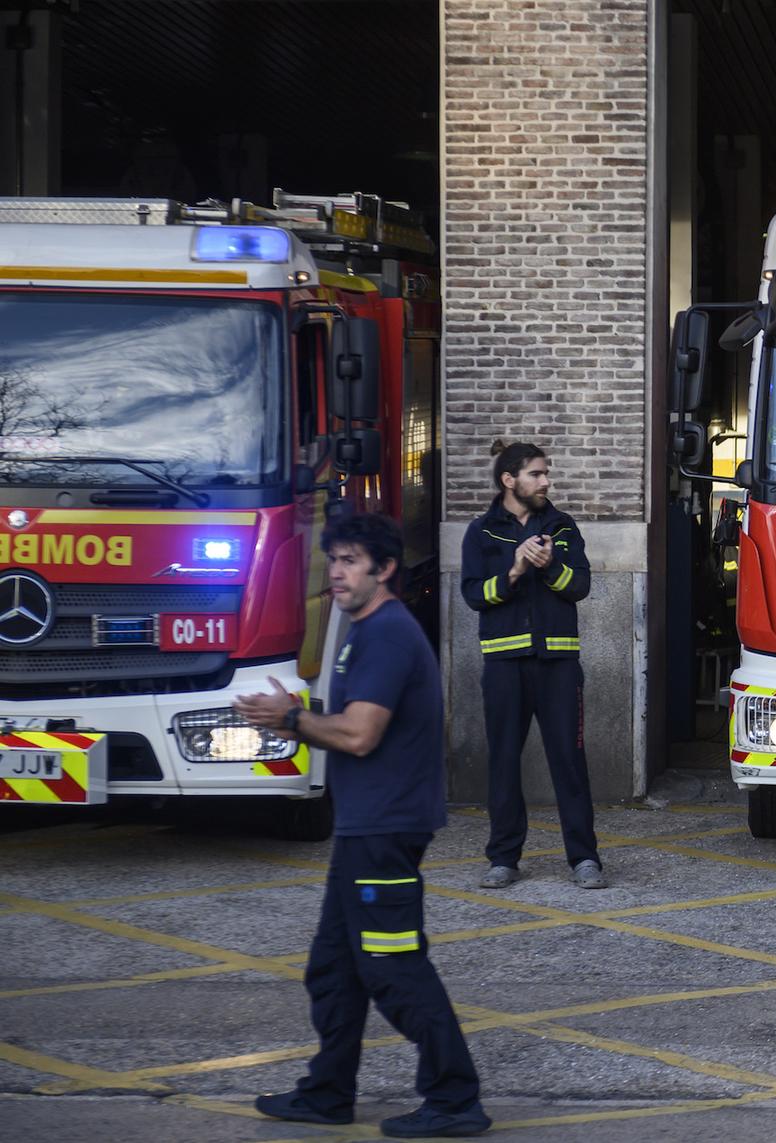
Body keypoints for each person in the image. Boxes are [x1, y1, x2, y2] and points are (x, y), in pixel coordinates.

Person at [235, 512, 489, 1138]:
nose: (339, 572)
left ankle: (455, 1100)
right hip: (364, 826)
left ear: (386, 569)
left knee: (393, 968)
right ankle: (327, 1093)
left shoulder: (386, 635)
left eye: (352, 561)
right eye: (335, 559)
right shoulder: (359, 630)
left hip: (385, 826)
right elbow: (353, 717)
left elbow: (357, 732)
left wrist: (292, 720)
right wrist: (298, 713)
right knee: (334, 968)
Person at [461, 441, 604, 890]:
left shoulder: (562, 527)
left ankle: (585, 859)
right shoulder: (482, 532)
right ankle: (503, 858)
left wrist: (549, 566)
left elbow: (579, 586)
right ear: (510, 480)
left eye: (546, 474)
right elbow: (473, 596)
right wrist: (515, 571)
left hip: (559, 665)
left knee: (570, 763)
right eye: (537, 474)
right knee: (503, 762)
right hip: (504, 664)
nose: (546, 482)